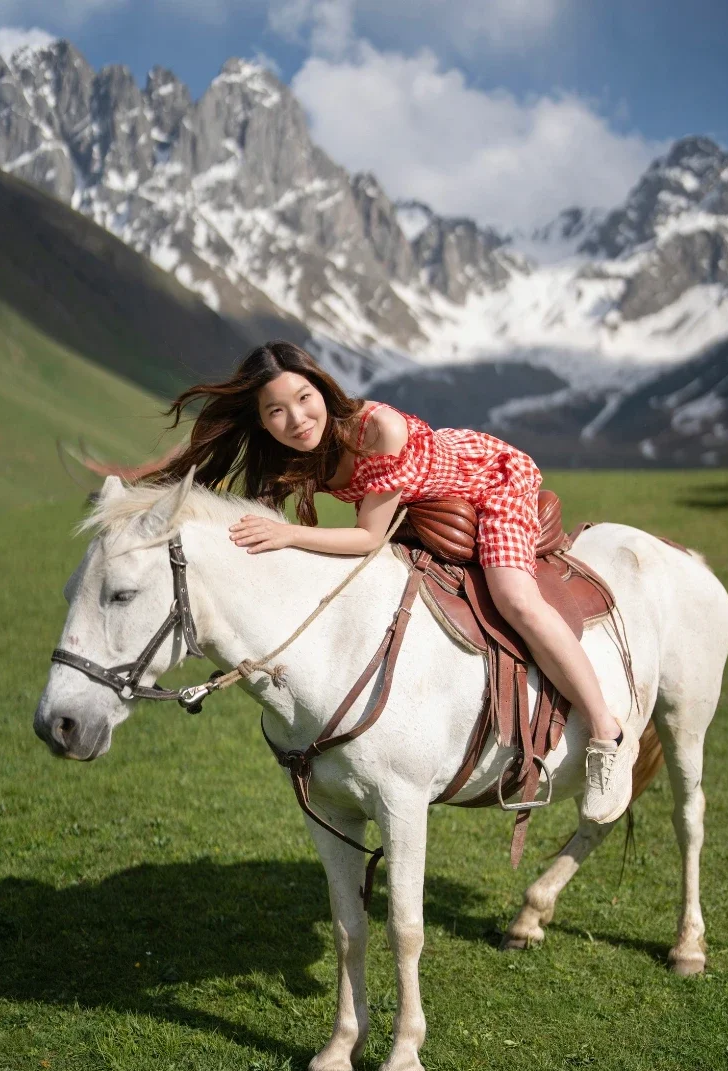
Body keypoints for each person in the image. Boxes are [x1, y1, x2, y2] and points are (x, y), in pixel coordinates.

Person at [154, 341, 639, 824]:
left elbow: (368, 537)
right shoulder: (285, 450)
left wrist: (288, 534)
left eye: (304, 398)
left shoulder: (376, 430)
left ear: (323, 388)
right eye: (276, 411)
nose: (296, 419)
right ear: (262, 421)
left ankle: (605, 732)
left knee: (516, 599)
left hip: (492, 480)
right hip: (418, 502)